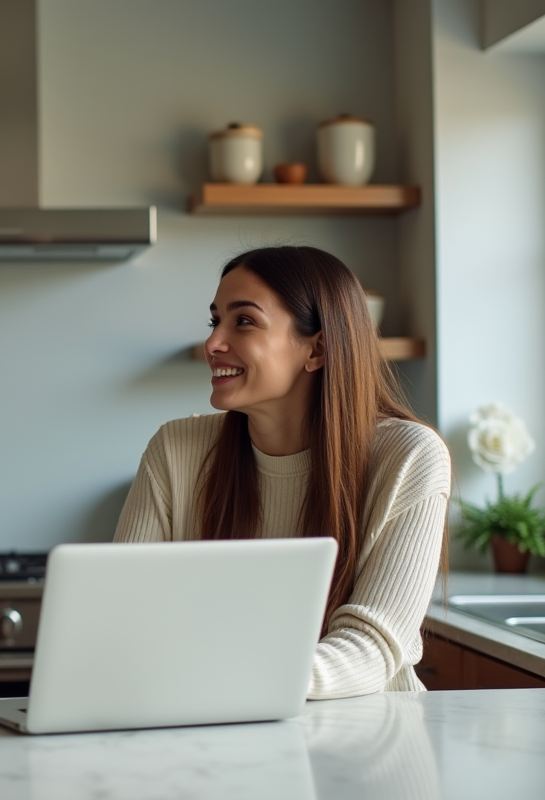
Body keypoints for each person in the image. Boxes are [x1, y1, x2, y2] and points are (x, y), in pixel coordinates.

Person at [114, 245, 450, 699]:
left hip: (369, 744)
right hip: (215, 729)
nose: (213, 343)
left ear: (318, 349)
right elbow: (127, 618)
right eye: (215, 321)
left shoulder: (410, 457)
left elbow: (370, 647)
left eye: (244, 321)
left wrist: (221, 677)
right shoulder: (175, 450)